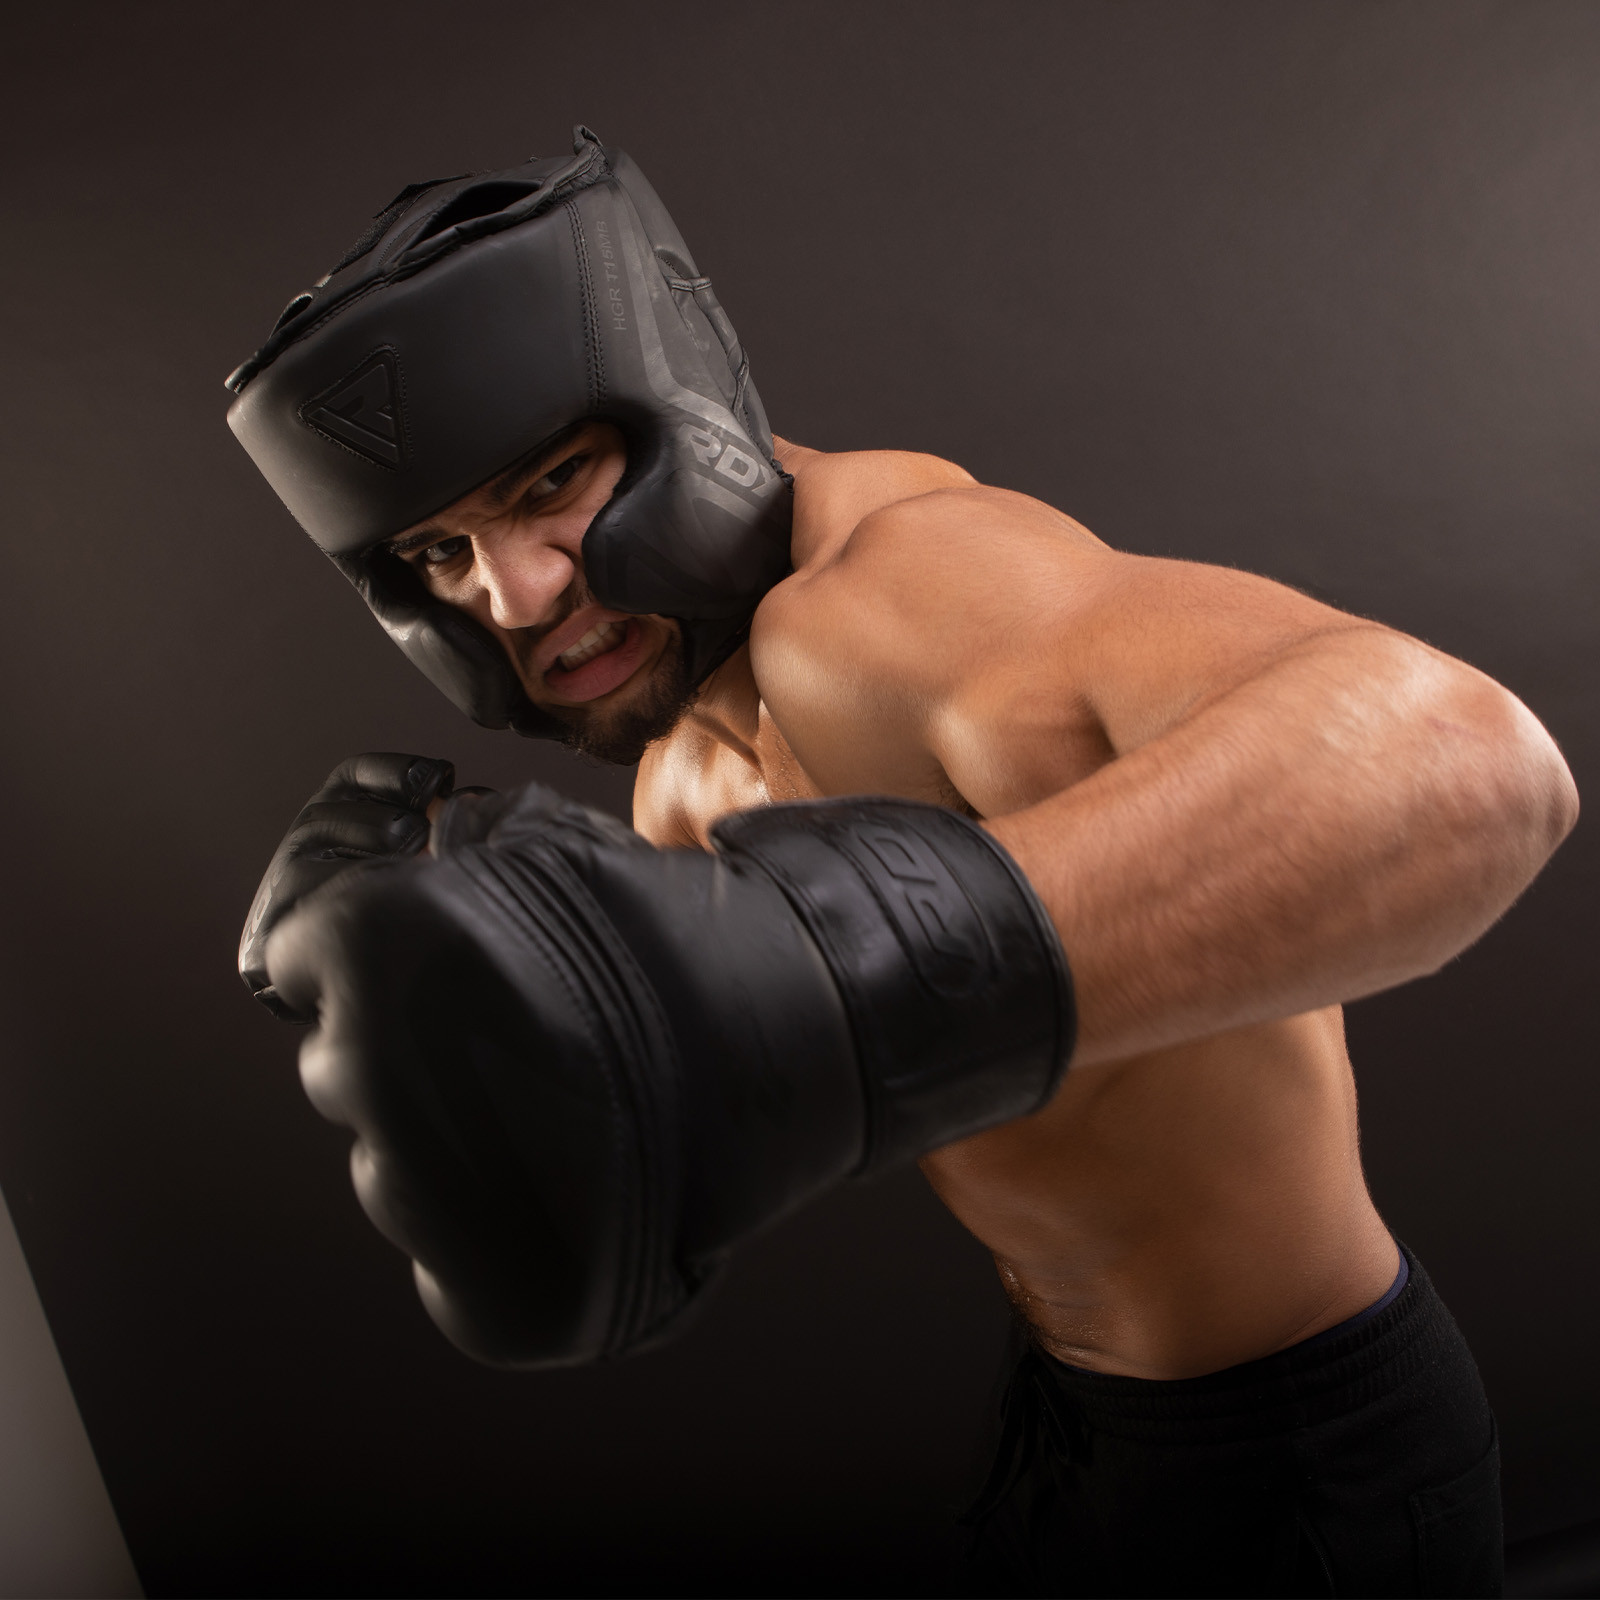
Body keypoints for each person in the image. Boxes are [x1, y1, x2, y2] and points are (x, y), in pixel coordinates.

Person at [229, 130, 1577, 1596]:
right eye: (441, 554)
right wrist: (472, 965)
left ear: (678, 402)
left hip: (1302, 1452)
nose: (516, 593)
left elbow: (1470, 762)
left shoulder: (904, 595)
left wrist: (860, 978)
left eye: (553, 480)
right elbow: (712, 1085)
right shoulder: (685, 767)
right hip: (1078, 1426)